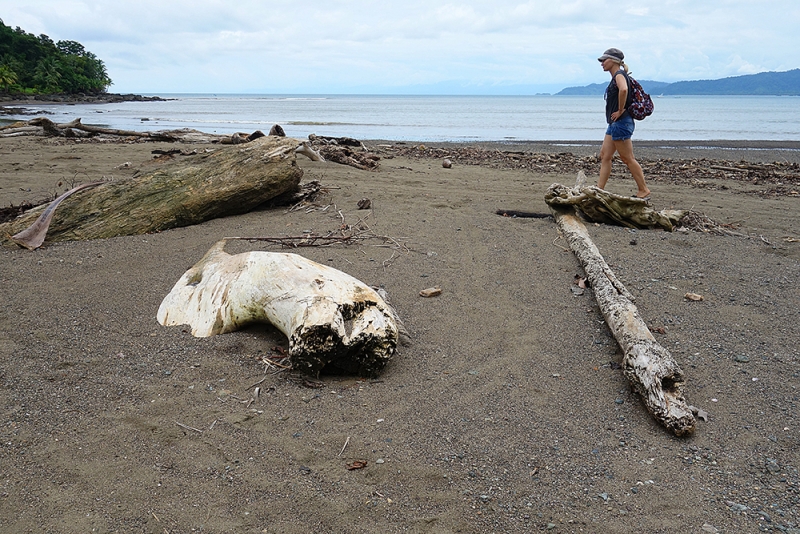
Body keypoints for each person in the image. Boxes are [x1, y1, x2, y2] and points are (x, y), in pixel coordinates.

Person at [597, 48, 651, 200]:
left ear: (613, 61)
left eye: (604, 60)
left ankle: (643, 189)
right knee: (605, 155)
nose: (602, 63)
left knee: (627, 158)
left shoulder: (619, 75)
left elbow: (624, 89)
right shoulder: (617, 75)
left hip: (621, 122)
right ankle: (599, 190)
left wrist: (620, 110)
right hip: (614, 124)